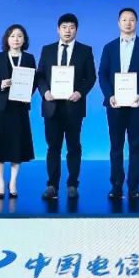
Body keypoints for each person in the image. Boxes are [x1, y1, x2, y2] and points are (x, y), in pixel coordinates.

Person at [36, 13, 97, 201]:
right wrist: (45, 92)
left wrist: (80, 92)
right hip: (52, 106)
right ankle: (52, 185)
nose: (68, 30)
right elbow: (40, 76)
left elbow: (91, 77)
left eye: (71, 27)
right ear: (58, 29)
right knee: (53, 147)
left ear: (76, 29)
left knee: (73, 147)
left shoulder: (85, 50)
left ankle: (72, 184)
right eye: (64, 27)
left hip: (73, 106)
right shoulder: (47, 50)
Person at [98, 7, 139, 200]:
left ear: (136, 23)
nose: (128, 23)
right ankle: (116, 185)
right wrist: (109, 95)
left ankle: (133, 187)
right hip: (114, 104)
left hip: (137, 103)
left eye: (131, 19)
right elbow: (102, 74)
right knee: (116, 147)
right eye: (124, 20)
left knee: (135, 146)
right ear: (118, 23)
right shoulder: (109, 47)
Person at [0, 24, 36, 199]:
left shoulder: (29, 58)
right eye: (12, 36)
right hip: (0, 108)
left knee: (16, 146)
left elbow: (34, 81)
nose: (16, 39)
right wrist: (0, 85)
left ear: (24, 40)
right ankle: (0, 182)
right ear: (7, 39)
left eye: (19, 36)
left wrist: (27, 93)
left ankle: (13, 182)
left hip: (19, 108)